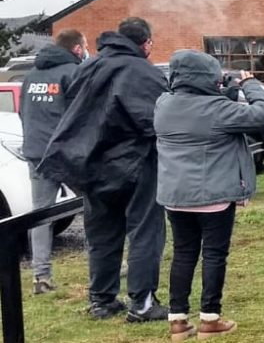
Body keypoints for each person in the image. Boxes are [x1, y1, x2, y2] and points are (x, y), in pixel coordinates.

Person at [38, 17, 170, 322]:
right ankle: (143, 303)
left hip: (90, 165)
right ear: (145, 43)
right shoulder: (142, 72)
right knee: (145, 231)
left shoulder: (86, 67)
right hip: (136, 165)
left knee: (102, 234)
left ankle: (102, 300)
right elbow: (155, 120)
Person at [155, 54, 264, 341]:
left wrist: (224, 90)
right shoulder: (219, 110)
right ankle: (210, 318)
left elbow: (201, 108)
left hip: (175, 196)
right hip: (214, 197)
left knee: (183, 254)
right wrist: (249, 86)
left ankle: (178, 321)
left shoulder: (163, 104)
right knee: (214, 255)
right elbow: (263, 115)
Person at [19, 29, 88, 295]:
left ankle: (41, 277)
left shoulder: (31, 75)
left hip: (37, 153)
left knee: (41, 215)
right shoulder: (73, 73)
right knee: (95, 207)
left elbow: (25, 113)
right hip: (67, 153)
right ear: (77, 49)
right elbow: (81, 116)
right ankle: (105, 266)